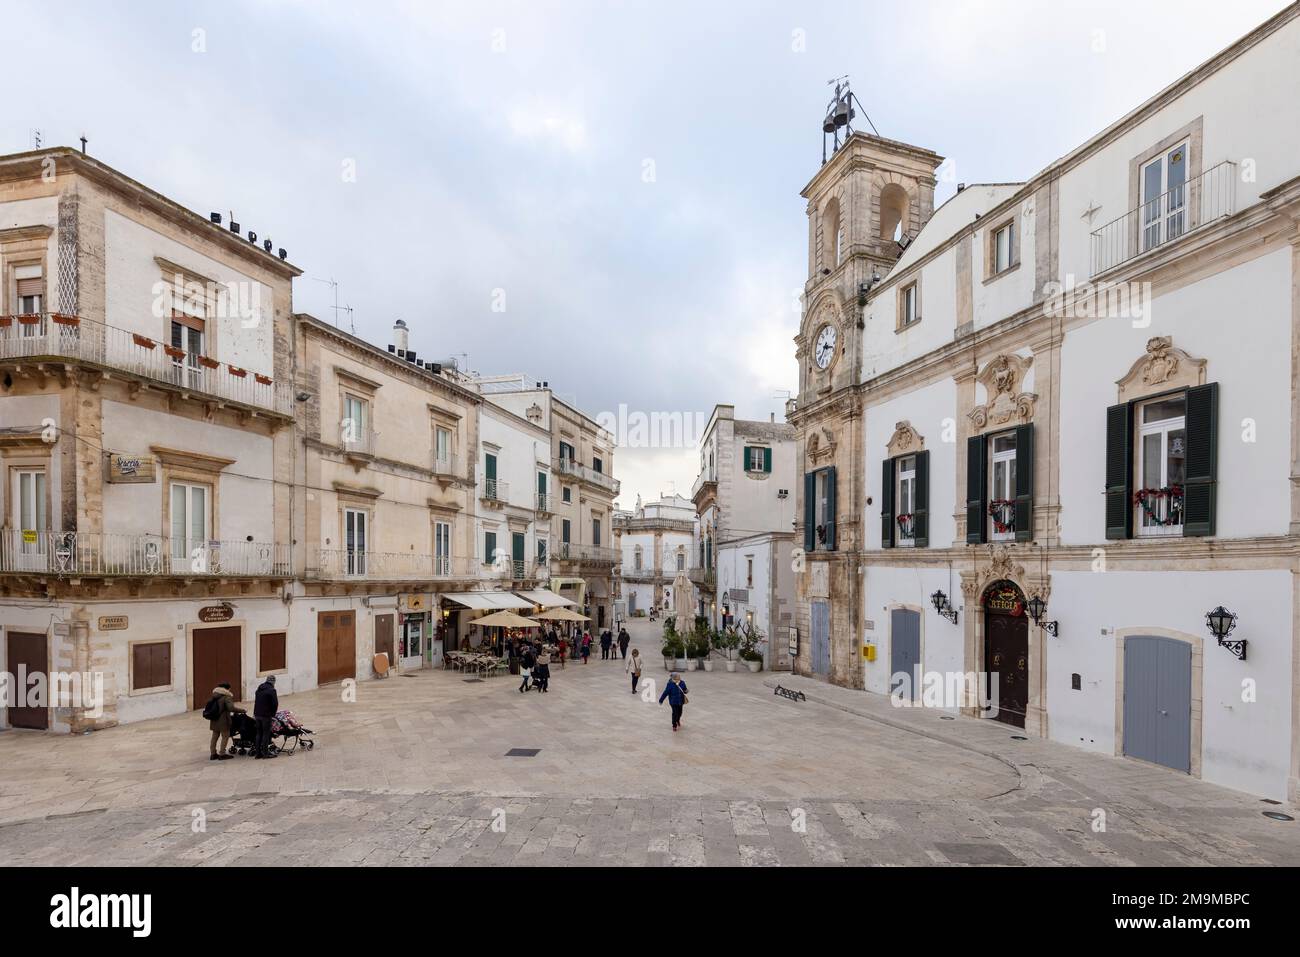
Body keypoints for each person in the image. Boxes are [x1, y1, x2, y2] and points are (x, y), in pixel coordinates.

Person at [205, 682, 244, 760]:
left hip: (214, 719)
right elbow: (231, 708)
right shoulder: (226, 697)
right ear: (227, 688)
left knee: (214, 737)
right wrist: (242, 710)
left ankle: (213, 754)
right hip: (223, 720)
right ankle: (222, 754)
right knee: (225, 736)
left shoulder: (214, 695)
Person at [253, 675, 278, 758]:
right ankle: (265, 753)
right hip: (266, 716)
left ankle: (257, 754)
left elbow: (256, 702)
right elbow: (275, 704)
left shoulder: (259, 689)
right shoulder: (272, 690)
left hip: (257, 715)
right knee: (266, 734)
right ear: (273, 682)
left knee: (258, 734)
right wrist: (273, 714)